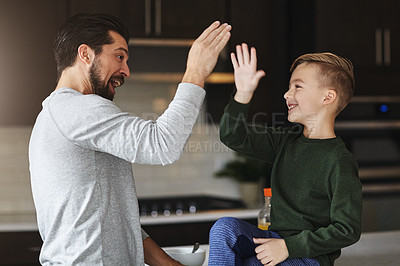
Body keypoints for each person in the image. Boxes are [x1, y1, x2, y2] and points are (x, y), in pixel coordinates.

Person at [29, 13, 231, 265]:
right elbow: (162, 145)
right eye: (119, 56)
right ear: (86, 54)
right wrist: (196, 71)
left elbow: (116, 222)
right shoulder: (78, 109)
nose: (126, 70)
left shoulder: (54, 113)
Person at [208, 43, 362, 266]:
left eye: (297, 87)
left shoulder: (339, 161)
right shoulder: (286, 141)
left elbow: (348, 229)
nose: (287, 94)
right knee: (223, 228)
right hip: (274, 241)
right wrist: (243, 94)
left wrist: (288, 247)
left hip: (309, 258)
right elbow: (234, 135)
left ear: (328, 97)